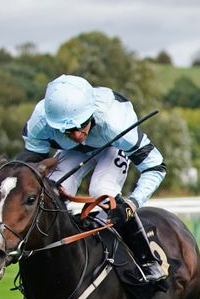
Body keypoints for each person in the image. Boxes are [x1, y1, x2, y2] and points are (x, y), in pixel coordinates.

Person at [16, 74, 167, 282]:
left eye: (81, 125)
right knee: (54, 189)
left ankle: (147, 261)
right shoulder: (40, 123)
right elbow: (27, 166)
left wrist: (132, 202)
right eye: (68, 130)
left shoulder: (116, 125)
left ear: (91, 114)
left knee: (102, 190)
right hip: (74, 151)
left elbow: (156, 166)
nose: (78, 134)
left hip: (112, 144)